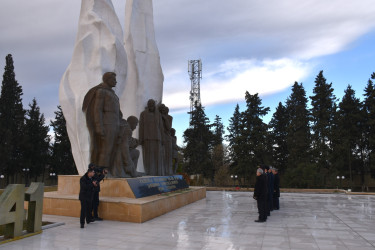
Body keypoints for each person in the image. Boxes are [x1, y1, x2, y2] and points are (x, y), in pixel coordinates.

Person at [82, 72, 122, 173]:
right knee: (105, 149)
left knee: (112, 150)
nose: (116, 81)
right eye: (113, 79)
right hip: (107, 124)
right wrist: (99, 127)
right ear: (107, 80)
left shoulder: (113, 94)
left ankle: (109, 170)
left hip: (115, 124)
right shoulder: (101, 92)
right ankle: (101, 172)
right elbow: (97, 110)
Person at [139, 99, 162, 175]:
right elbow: (141, 126)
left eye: (152, 104)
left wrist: (162, 139)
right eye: (149, 104)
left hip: (157, 137)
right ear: (148, 105)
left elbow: (161, 127)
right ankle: (148, 172)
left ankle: (157, 172)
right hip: (147, 138)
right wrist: (141, 138)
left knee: (157, 156)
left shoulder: (158, 114)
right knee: (148, 156)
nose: (151, 105)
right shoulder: (143, 114)